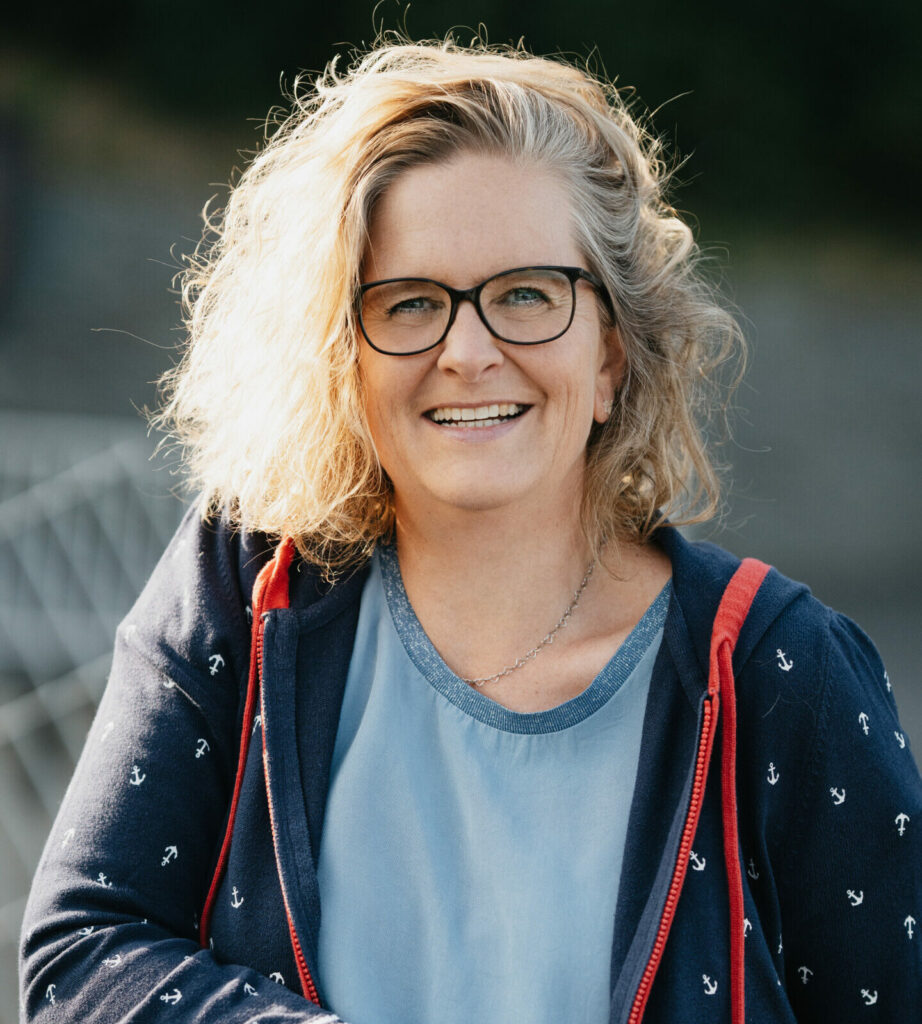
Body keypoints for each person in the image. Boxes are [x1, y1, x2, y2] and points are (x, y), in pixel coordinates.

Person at [19, 36, 921, 1024]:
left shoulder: (786, 672)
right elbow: (83, 952)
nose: (467, 351)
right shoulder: (246, 583)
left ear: (613, 355)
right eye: (409, 303)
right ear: (341, 357)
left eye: (526, 294)